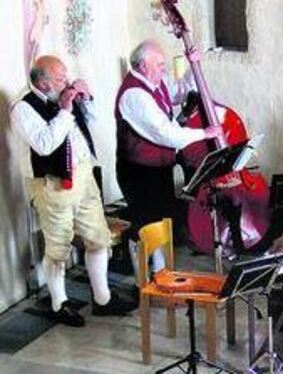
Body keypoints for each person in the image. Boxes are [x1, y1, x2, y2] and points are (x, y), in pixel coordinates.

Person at [11, 55, 134, 327]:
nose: (65, 83)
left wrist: (85, 99)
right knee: (58, 248)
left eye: (66, 77)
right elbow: (45, 144)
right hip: (52, 184)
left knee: (98, 238)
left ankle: (102, 299)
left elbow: (92, 121)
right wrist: (65, 110)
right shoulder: (23, 108)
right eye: (59, 79)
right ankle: (59, 304)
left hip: (84, 175)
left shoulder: (63, 96)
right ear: (42, 83)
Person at [115, 39, 222, 271]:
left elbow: (179, 93)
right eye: (160, 64)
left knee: (162, 220)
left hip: (158, 167)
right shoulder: (134, 95)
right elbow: (167, 134)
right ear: (143, 66)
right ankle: (142, 281)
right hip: (137, 171)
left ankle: (160, 273)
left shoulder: (155, 81)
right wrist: (205, 133)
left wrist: (194, 67)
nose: (164, 68)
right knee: (145, 225)